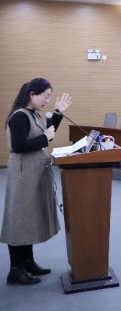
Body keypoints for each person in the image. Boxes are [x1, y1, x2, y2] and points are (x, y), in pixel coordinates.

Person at [1, 78, 72, 285]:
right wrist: (45, 137)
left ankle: (28, 262)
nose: (47, 101)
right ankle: (16, 270)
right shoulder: (19, 116)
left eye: (49, 98)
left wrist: (57, 114)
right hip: (23, 175)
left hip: (32, 173)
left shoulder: (32, 114)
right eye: (45, 96)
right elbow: (19, 145)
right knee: (19, 220)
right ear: (32, 94)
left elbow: (47, 135)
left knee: (28, 218)